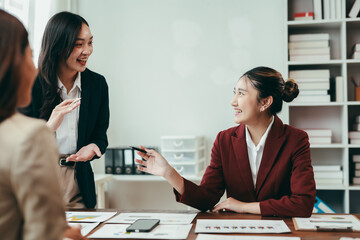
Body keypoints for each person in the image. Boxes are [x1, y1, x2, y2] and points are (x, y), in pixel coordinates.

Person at [136, 66, 316, 217]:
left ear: (265, 102)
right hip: (237, 230)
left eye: (241, 94)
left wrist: (243, 206)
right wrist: (168, 173)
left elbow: (303, 204)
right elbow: (206, 198)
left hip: (282, 232)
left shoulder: (296, 140)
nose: (233, 101)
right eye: (234, 93)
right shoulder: (224, 140)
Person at [0, 9, 85, 240]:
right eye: (29, 56)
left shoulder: (97, 84)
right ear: (10, 65)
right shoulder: (30, 136)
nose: (34, 67)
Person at [22, 11, 109, 208]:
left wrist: (94, 147)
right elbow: (18, 146)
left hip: (79, 183)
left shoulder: (97, 85)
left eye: (90, 42)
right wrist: (49, 127)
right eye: (79, 44)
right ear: (58, 47)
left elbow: (100, 135)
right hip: (38, 183)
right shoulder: (30, 85)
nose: (87, 51)